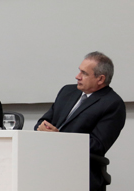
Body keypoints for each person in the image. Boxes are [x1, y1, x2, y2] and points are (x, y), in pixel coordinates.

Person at [35, 52, 126, 191]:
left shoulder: (113, 104)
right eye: (79, 71)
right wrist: (43, 128)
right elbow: (44, 120)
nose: (77, 76)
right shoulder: (67, 91)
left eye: (84, 73)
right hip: (48, 163)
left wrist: (59, 138)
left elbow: (98, 145)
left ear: (100, 79)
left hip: (82, 171)